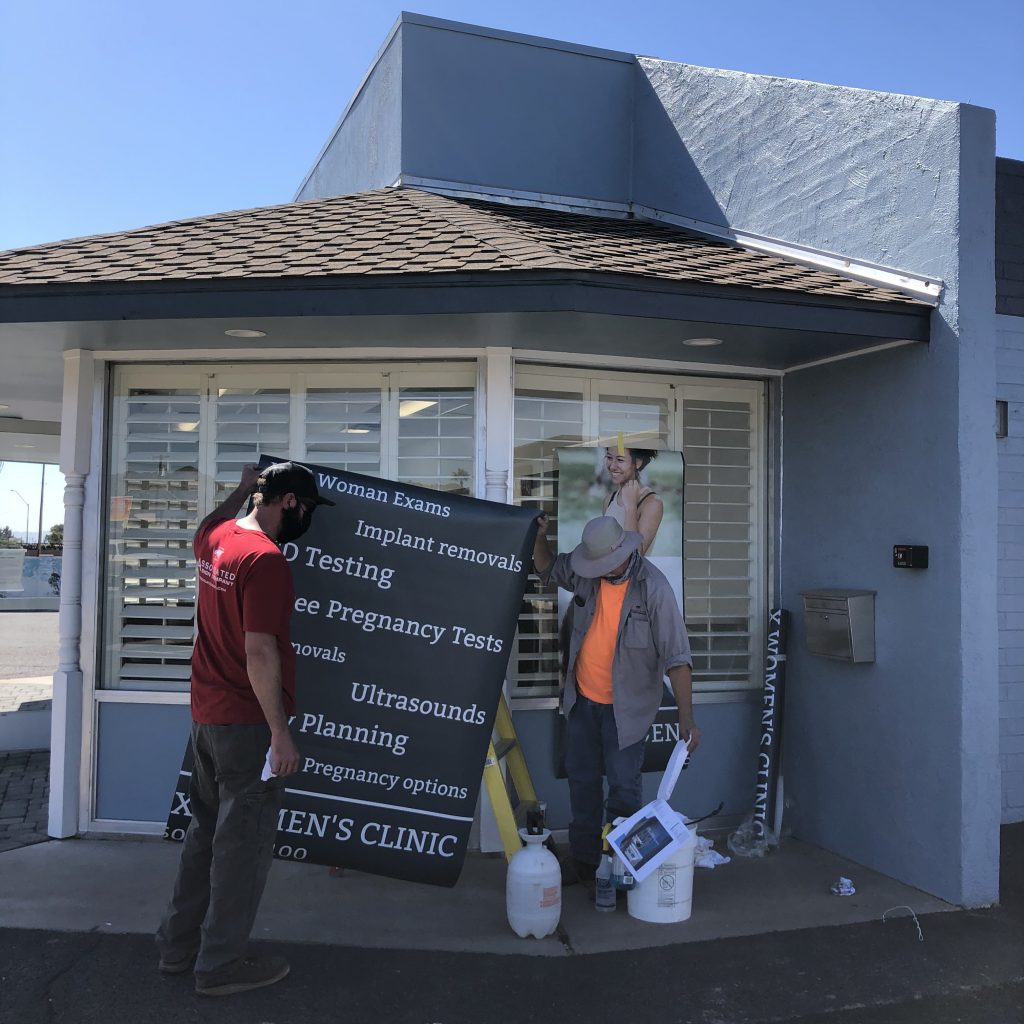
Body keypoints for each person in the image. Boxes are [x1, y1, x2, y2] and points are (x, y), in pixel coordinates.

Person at [156, 461, 334, 997]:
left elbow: (203, 528)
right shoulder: (266, 561)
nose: (306, 517)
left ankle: (177, 948)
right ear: (288, 504)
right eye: (306, 508)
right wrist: (279, 733)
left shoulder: (221, 540)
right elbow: (260, 651)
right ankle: (220, 965)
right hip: (246, 726)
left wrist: (237, 489)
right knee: (242, 848)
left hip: (207, 718)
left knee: (203, 836)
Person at [534, 513, 700, 890]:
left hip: (627, 711)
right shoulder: (584, 572)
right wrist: (539, 537)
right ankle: (584, 861)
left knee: (624, 791)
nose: (600, 570)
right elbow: (546, 570)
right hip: (582, 701)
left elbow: (677, 657)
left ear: (624, 555)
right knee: (583, 784)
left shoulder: (653, 588)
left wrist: (686, 718)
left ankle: (619, 871)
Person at [602, 446, 664, 555]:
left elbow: (636, 555)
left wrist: (631, 507)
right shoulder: (609, 499)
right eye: (609, 458)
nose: (612, 466)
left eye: (620, 460)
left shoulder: (652, 503)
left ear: (638, 463)